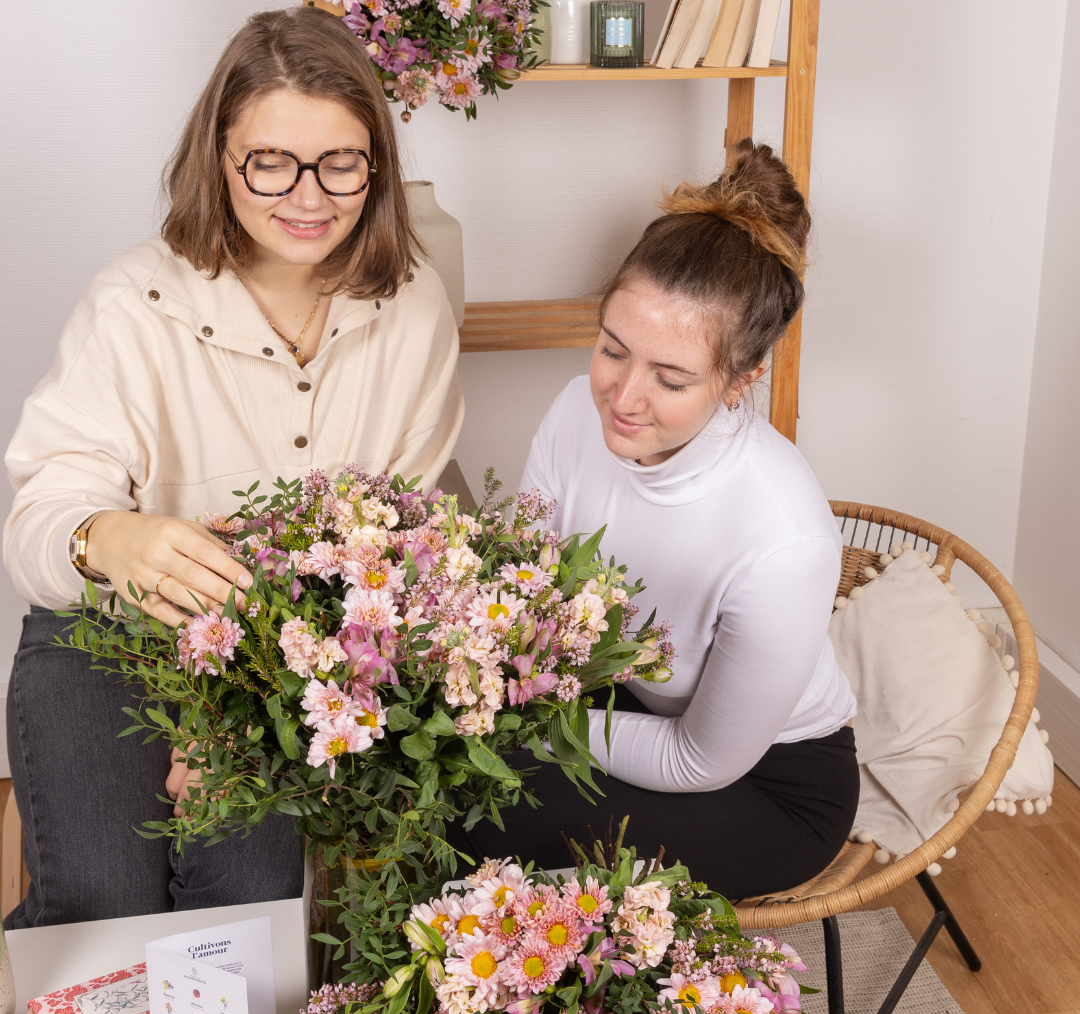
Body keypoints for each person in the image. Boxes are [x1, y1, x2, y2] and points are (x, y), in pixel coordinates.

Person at [2, 8, 463, 928]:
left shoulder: (416, 310)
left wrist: (246, 711)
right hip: (106, 643)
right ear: (219, 159)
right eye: (270, 162)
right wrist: (106, 538)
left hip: (290, 666)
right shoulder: (131, 305)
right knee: (103, 903)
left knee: (244, 902)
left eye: (340, 161)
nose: (309, 195)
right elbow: (37, 528)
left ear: (375, 165)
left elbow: (394, 558)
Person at [463, 141, 858, 899]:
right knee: (436, 759)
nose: (623, 398)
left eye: (671, 380)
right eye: (612, 350)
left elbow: (697, 758)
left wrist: (524, 723)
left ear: (742, 378)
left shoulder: (783, 539)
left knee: (486, 808)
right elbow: (528, 591)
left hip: (764, 783)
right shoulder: (574, 412)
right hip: (622, 697)